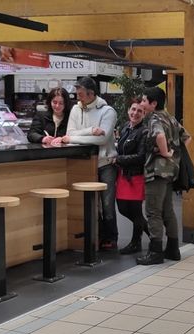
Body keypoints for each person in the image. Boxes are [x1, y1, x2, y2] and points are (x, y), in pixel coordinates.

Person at [52, 77, 119, 250]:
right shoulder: (75, 109)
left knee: (107, 204)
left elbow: (103, 138)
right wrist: (90, 132)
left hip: (105, 163)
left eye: (81, 94)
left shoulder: (108, 111)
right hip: (83, 163)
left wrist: (73, 138)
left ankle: (110, 237)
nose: (77, 97)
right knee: (90, 203)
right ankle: (95, 236)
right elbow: (70, 133)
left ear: (91, 94)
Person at [137, 87, 191, 265]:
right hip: (171, 172)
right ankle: (173, 249)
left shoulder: (154, 118)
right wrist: (175, 156)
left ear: (153, 104)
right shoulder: (171, 117)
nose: (142, 104)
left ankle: (155, 252)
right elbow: (187, 138)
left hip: (157, 171)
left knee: (153, 211)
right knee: (168, 210)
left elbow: (159, 135)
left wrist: (165, 152)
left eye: (144, 101)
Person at [114, 99, 149, 254]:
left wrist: (119, 160)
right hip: (123, 175)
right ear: (129, 110)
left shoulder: (144, 132)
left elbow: (141, 157)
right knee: (122, 208)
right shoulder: (125, 128)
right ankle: (152, 232)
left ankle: (136, 243)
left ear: (144, 114)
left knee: (135, 212)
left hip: (136, 176)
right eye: (133, 109)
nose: (135, 113)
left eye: (140, 111)